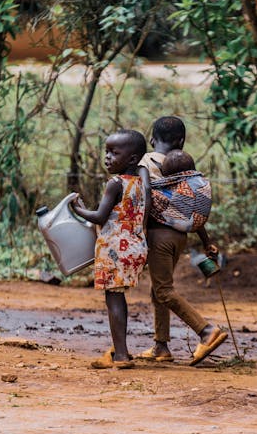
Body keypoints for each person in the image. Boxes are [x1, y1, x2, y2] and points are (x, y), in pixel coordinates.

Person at [137, 116, 227, 365]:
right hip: (180, 238)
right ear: (181, 141)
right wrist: (206, 240)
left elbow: (145, 193)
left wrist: (142, 230)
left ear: (152, 139)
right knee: (159, 289)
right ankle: (161, 346)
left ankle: (206, 331)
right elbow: (192, 207)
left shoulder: (147, 160)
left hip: (158, 235)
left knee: (164, 291)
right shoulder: (185, 166)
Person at [71, 129, 147, 369]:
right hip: (134, 246)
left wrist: (76, 207)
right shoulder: (140, 183)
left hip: (114, 248)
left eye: (114, 153)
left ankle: (122, 355)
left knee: (113, 300)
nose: (107, 158)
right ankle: (120, 351)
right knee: (118, 298)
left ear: (132, 159)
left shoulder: (115, 184)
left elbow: (100, 216)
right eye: (106, 152)